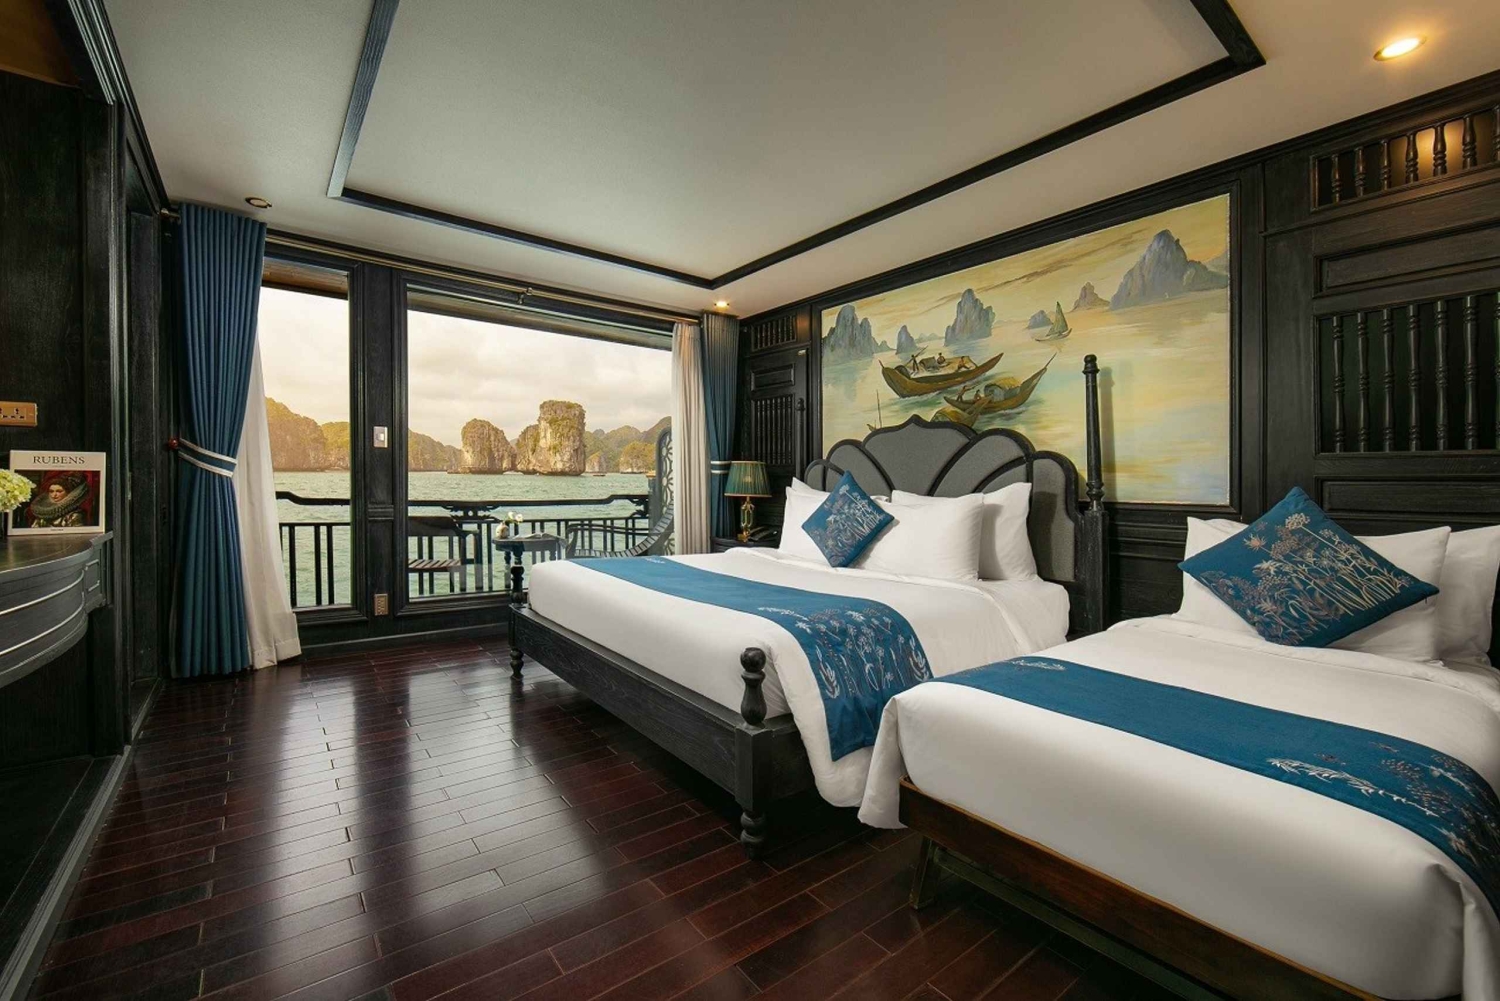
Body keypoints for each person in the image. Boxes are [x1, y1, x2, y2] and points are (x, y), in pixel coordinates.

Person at [24, 472, 91, 528]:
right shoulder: (42, 514)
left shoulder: (74, 515)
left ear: (67, 493)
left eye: (59, 491)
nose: (54, 495)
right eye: (51, 491)